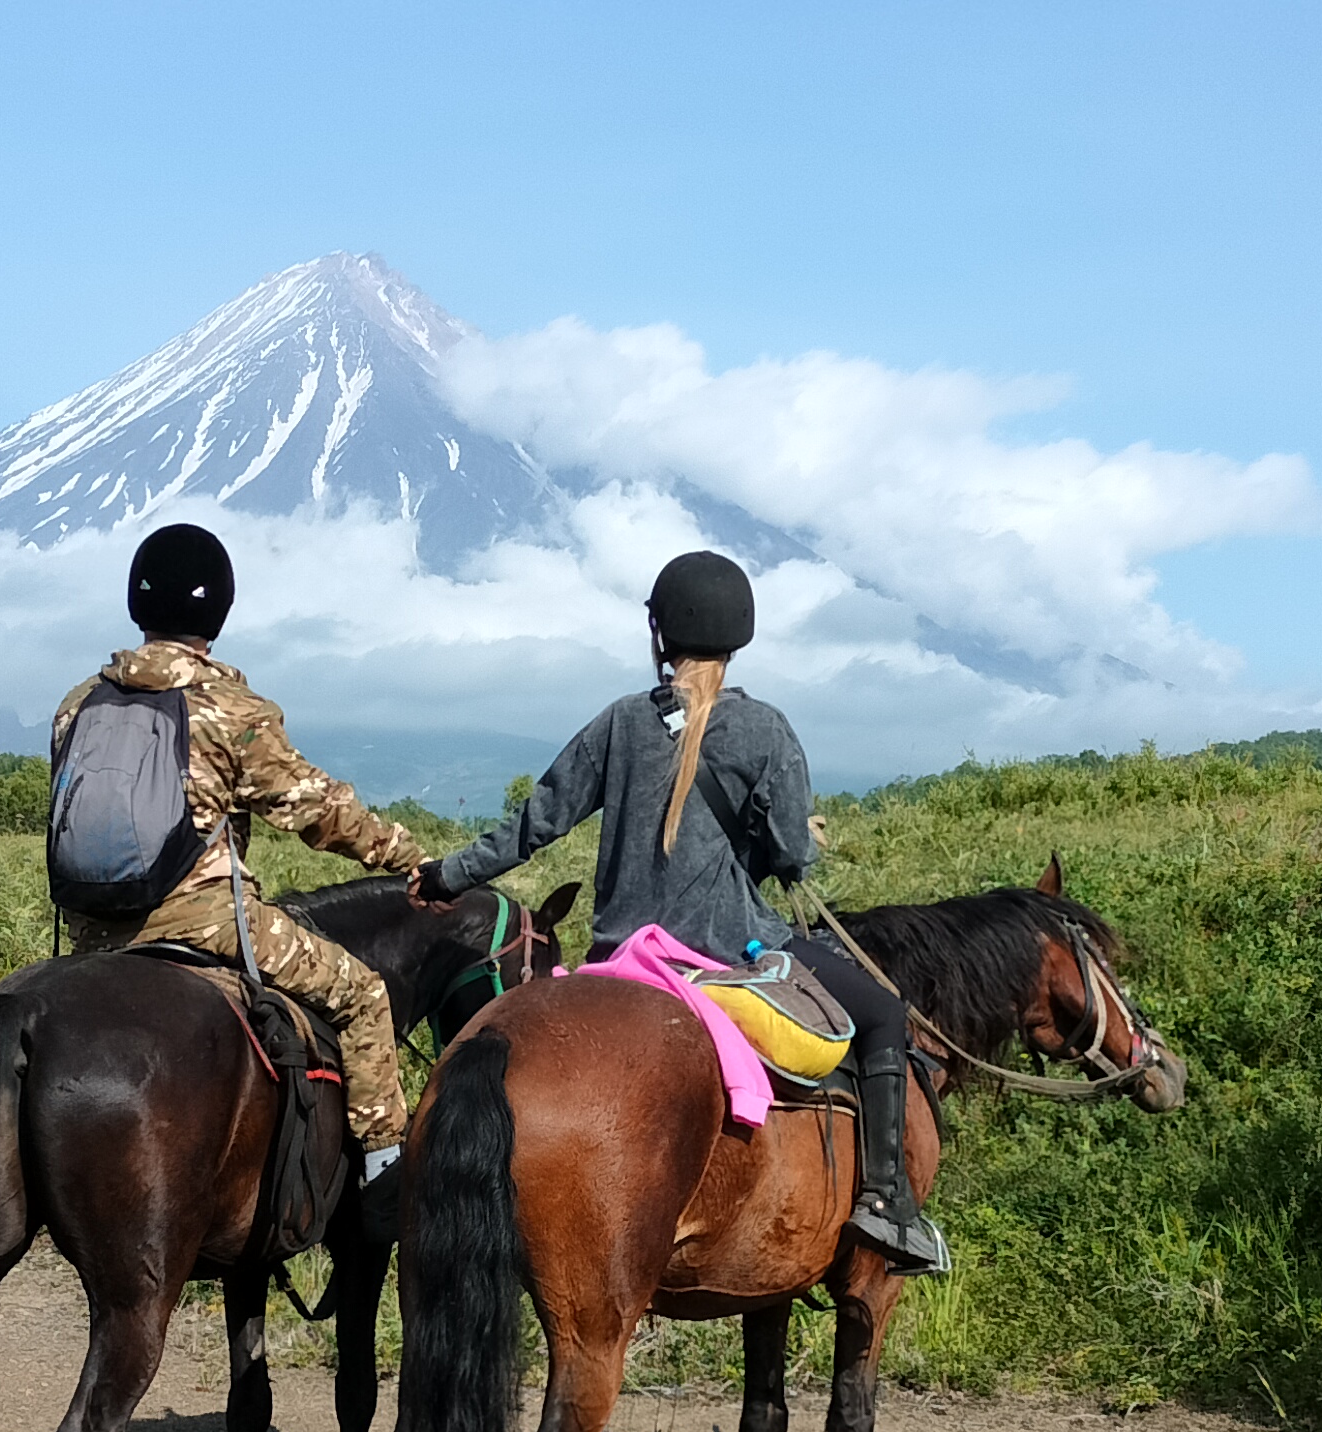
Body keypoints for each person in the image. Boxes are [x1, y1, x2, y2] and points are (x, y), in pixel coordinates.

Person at [415, 550, 948, 1272]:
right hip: (731, 952)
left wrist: (447, 876)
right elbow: (793, 856)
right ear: (739, 635)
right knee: (884, 1013)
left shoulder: (618, 724)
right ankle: (887, 1205)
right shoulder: (765, 731)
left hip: (618, 957)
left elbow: (533, 825)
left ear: (660, 636)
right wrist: (799, 837)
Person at [52, 523, 433, 1182]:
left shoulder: (78, 704)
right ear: (219, 609)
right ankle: (384, 1177)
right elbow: (317, 813)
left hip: (89, 933)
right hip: (205, 921)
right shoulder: (231, 710)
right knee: (364, 994)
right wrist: (407, 856)